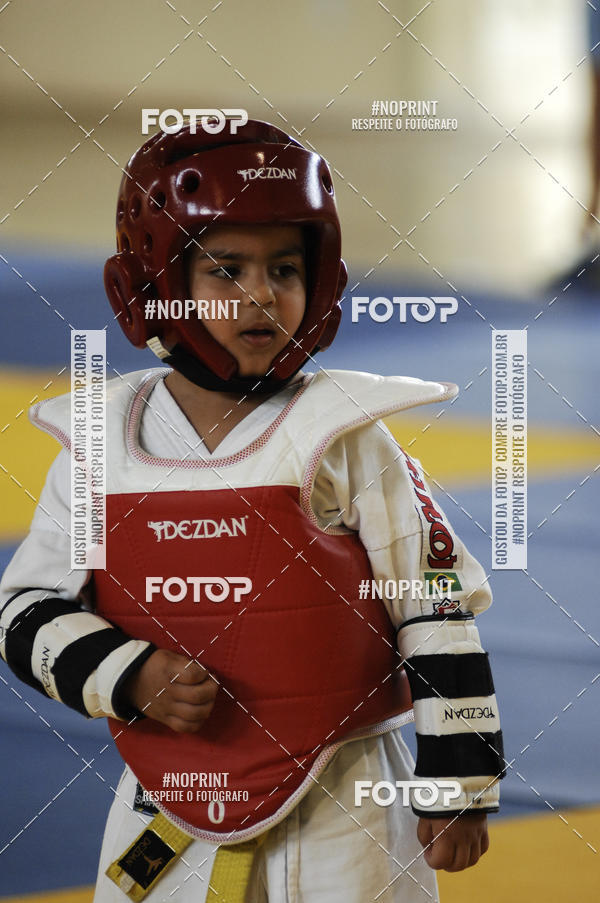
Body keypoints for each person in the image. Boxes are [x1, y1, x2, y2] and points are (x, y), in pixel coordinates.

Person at [0, 120, 504, 902]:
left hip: (347, 793)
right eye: (225, 269)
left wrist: (459, 781)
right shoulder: (102, 446)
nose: (263, 294)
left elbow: (435, 605)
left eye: (286, 268)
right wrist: (126, 674)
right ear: (154, 284)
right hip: (168, 792)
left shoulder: (345, 439)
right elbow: (24, 610)